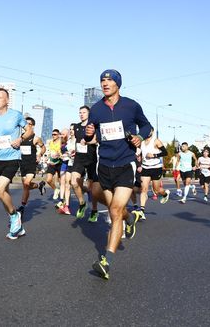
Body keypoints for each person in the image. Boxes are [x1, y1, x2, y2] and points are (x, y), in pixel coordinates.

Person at [85, 69, 151, 280]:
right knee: (97, 194)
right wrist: (88, 134)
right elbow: (91, 134)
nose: (105, 83)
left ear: (118, 84)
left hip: (125, 164)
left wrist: (140, 137)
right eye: (102, 80)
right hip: (104, 165)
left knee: (114, 210)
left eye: (109, 80)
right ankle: (130, 217)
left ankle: (106, 261)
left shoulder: (131, 105)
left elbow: (147, 126)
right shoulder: (96, 109)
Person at [0, 88, 33, 239]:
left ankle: (15, 216)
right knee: (3, 194)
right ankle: (18, 228)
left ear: (7, 100)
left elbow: (30, 131)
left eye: (1, 97)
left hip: (12, 157)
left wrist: (21, 139)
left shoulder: (15, 115)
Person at [70, 106, 100, 221]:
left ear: (89, 114)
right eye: (80, 113)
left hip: (91, 159)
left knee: (92, 189)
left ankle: (94, 210)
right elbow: (77, 142)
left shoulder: (93, 126)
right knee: (74, 182)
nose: (81, 114)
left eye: (83, 112)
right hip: (79, 159)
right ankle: (82, 203)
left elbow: (97, 140)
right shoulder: (76, 127)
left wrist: (87, 142)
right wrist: (74, 149)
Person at [17, 116, 45, 214]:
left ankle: (22, 206)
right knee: (26, 186)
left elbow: (43, 148)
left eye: (28, 124)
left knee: (26, 184)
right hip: (22, 164)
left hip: (31, 164)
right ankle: (39, 185)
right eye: (25, 124)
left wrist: (39, 154)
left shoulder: (36, 138)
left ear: (32, 126)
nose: (26, 126)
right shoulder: (20, 138)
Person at [139, 129, 170, 211]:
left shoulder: (156, 141)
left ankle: (165, 194)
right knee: (144, 189)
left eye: (150, 131)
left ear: (152, 132)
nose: (148, 132)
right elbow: (139, 153)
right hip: (145, 167)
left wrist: (154, 155)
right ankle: (142, 210)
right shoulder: (141, 142)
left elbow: (165, 152)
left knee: (156, 190)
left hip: (156, 168)